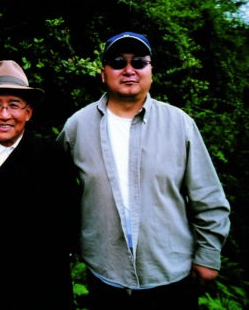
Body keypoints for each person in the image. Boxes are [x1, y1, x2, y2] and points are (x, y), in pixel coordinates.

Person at [56, 32, 231, 309]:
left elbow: (208, 196)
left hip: (170, 276)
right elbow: (57, 193)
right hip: (105, 275)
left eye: (139, 62)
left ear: (151, 72)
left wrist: (208, 255)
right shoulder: (77, 126)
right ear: (103, 73)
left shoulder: (180, 124)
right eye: (117, 62)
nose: (128, 70)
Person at [0, 60, 80, 309]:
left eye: (14, 105)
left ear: (28, 112)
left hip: (47, 284)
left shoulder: (52, 156)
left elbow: (69, 221)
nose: (4, 115)